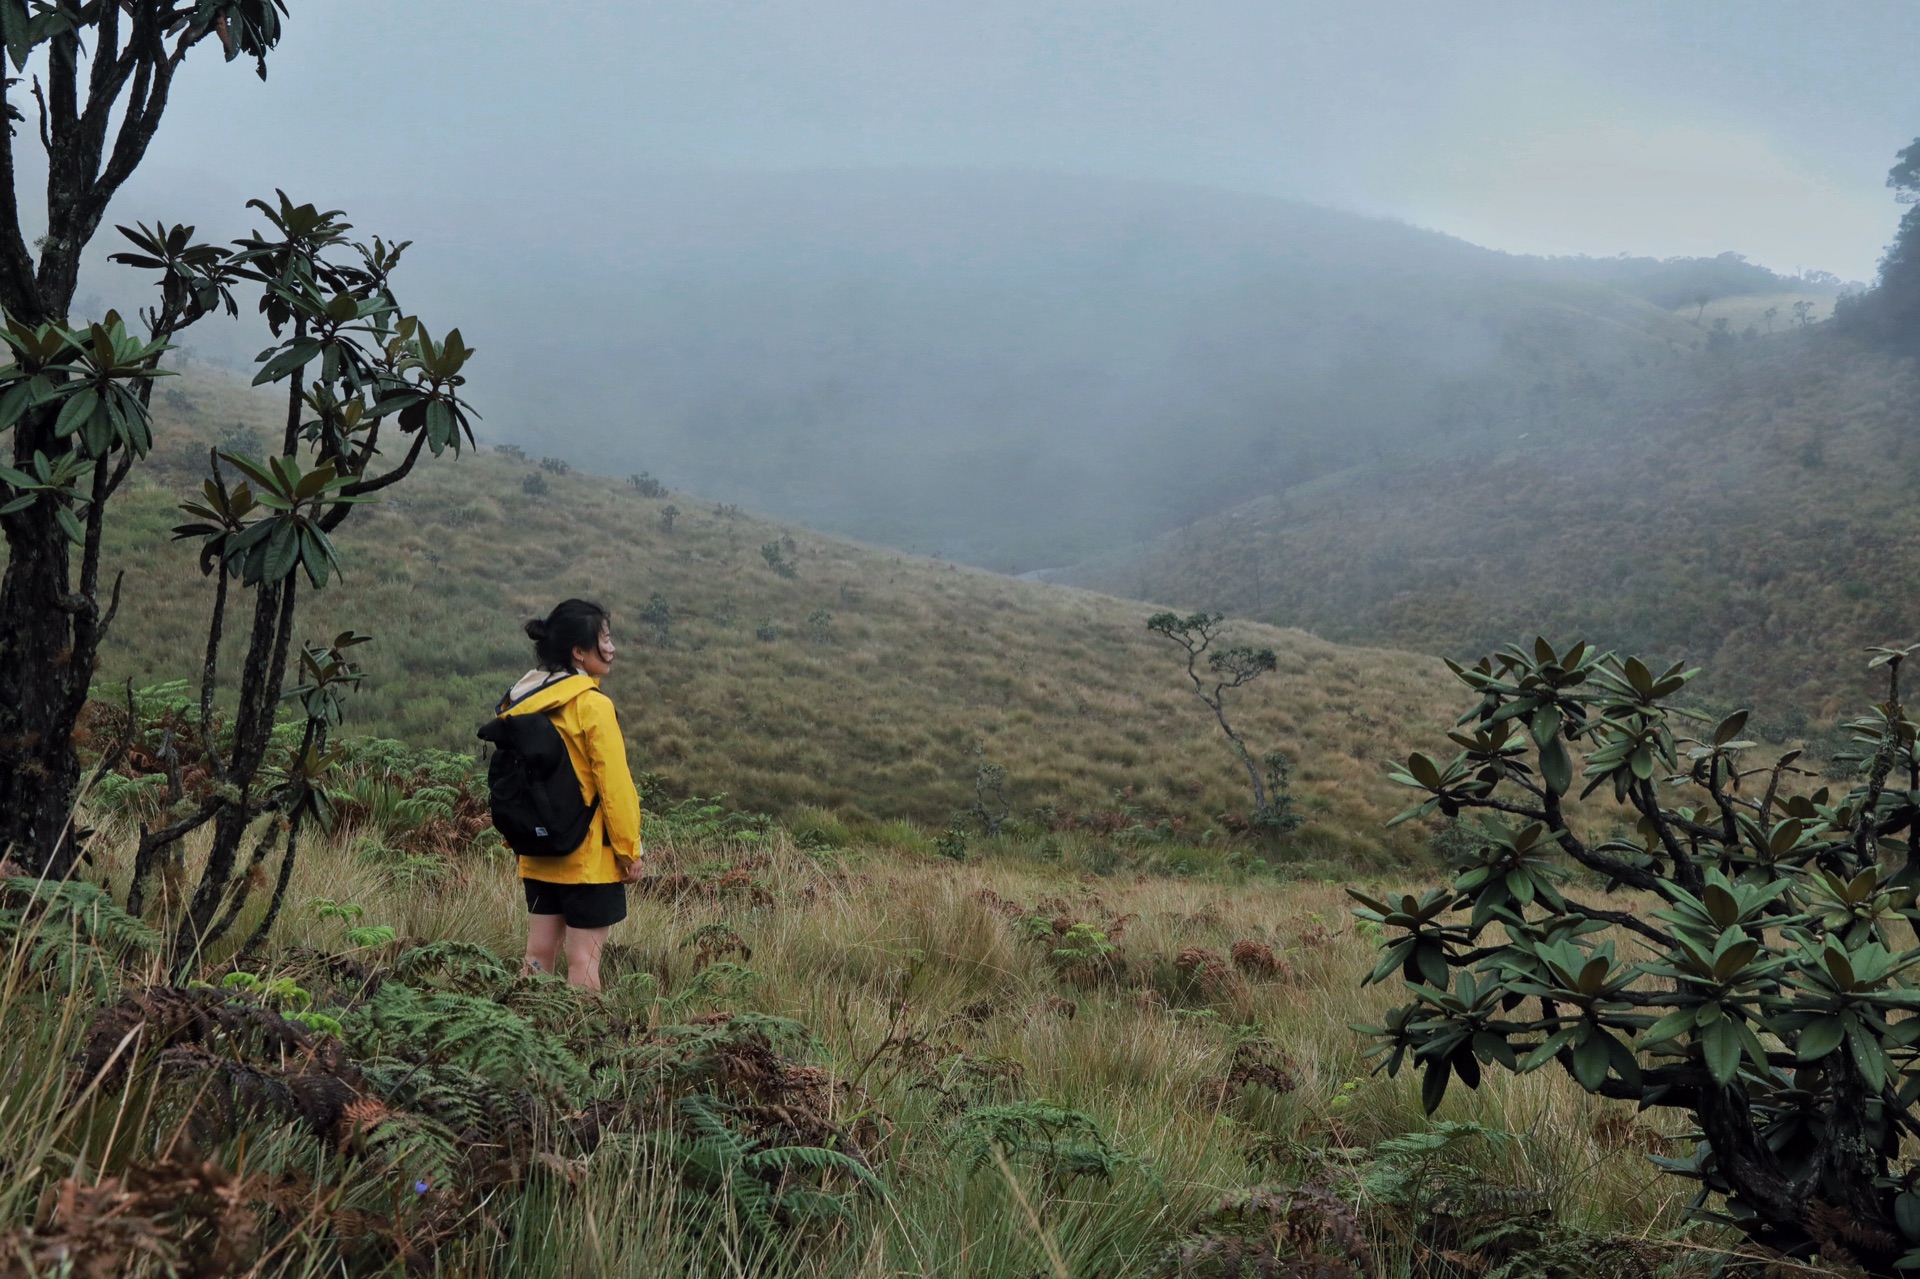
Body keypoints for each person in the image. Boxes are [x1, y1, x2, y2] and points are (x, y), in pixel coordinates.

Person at [497, 598, 643, 991]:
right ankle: (582, 1045)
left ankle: (521, 1034)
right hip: (588, 858)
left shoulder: (521, 702)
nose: (611, 648)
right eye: (604, 639)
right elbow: (614, 787)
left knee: (537, 956)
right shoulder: (592, 706)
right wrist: (629, 850)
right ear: (579, 652)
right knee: (584, 963)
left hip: (538, 852)